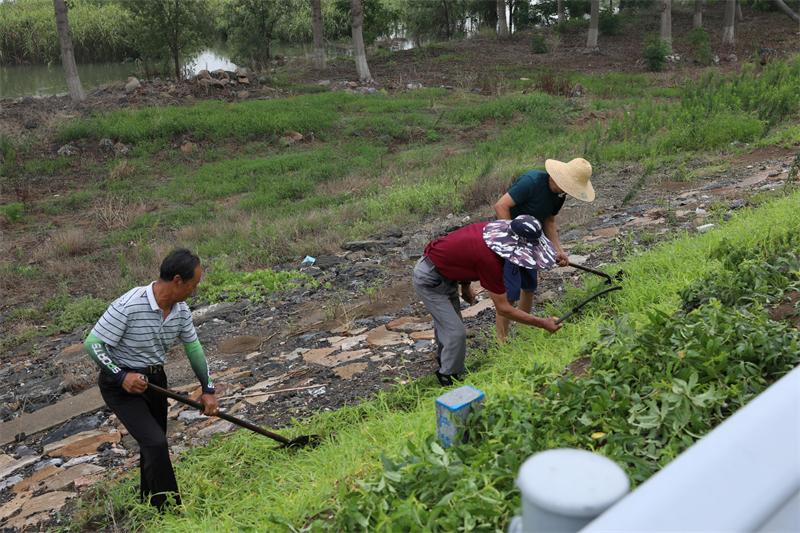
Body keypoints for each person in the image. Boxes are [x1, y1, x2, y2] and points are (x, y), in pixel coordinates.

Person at [83, 248, 217, 510]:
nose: (195, 290)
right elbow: (93, 344)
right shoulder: (129, 304)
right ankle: (170, 511)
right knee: (155, 441)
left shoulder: (180, 310)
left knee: (151, 443)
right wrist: (121, 375)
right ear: (178, 280)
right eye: (193, 284)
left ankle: (149, 501)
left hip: (155, 382)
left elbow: (194, 348)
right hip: (120, 386)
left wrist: (208, 388)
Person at [413, 215, 562, 386]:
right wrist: (543, 323)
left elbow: (463, 256)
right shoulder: (490, 259)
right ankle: (449, 379)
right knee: (455, 332)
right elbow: (503, 308)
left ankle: (445, 365)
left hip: (446, 274)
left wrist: (465, 286)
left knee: (447, 325)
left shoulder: (494, 234)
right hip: (429, 280)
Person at [493, 158, 595, 342]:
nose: (566, 191)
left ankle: (525, 332)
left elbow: (549, 221)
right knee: (510, 294)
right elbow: (501, 205)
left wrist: (558, 250)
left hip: (532, 241)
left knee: (529, 287)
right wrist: (511, 238)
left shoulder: (559, 196)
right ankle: (502, 340)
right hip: (511, 240)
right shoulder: (531, 182)